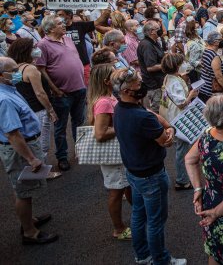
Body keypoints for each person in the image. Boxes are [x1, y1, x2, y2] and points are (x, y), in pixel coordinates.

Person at [112, 67, 184, 265]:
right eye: (137, 85)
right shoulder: (141, 117)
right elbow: (165, 140)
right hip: (151, 174)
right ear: (126, 91)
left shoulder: (122, 108)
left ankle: (142, 255)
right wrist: (169, 130)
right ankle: (161, 259)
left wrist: (163, 125)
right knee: (156, 220)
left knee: (138, 215)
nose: (140, 87)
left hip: (134, 171)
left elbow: (151, 113)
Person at [0, 56, 58, 245]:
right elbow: (13, 135)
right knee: (23, 192)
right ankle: (29, 232)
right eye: (14, 70)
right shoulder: (4, 99)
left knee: (25, 189)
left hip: (26, 144)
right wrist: (31, 158)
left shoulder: (9, 89)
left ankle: (29, 220)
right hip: (20, 149)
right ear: (1, 75)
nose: (18, 73)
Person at [185, 94, 223, 264]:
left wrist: (198, 189)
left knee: (213, 250)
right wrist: (215, 213)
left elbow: (190, 160)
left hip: (209, 201)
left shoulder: (207, 134)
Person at [36, 15, 87, 172]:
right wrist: (55, 89)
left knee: (79, 123)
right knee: (60, 127)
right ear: (50, 28)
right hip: (62, 93)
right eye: (59, 23)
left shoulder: (68, 39)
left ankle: (81, 150)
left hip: (79, 88)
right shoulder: (42, 45)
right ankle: (62, 157)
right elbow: (41, 69)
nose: (64, 25)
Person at [87, 63, 132, 240]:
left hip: (120, 151)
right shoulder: (104, 102)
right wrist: (124, 125)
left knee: (125, 186)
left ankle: (134, 218)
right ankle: (118, 228)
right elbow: (100, 133)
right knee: (116, 190)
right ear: (107, 81)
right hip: (114, 155)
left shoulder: (108, 97)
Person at [7, 38, 58, 175]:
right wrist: (51, 110)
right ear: (26, 51)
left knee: (34, 142)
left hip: (27, 110)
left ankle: (38, 170)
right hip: (39, 110)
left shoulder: (14, 68)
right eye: (33, 47)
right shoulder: (30, 69)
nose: (37, 49)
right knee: (43, 144)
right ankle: (44, 172)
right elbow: (40, 93)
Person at [159, 53, 198, 190]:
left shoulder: (169, 78)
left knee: (183, 147)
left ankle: (184, 176)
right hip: (179, 118)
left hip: (174, 117)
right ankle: (182, 180)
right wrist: (191, 95)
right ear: (176, 66)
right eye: (181, 63)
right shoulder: (175, 82)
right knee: (182, 149)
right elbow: (181, 103)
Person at [137, 21, 166, 112]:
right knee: (157, 109)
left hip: (159, 81)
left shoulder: (154, 41)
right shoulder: (147, 45)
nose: (161, 30)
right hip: (154, 84)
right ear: (152, 31)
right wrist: (167, 65)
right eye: (158, 28)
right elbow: (150, 67)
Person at [198, 31, 223, 103]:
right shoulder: (214, 57)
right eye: (220, 40)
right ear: (215, 42)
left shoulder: (206, 50)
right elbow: (219, 76)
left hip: (203, 87)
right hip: (211, 90)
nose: (222, 41)